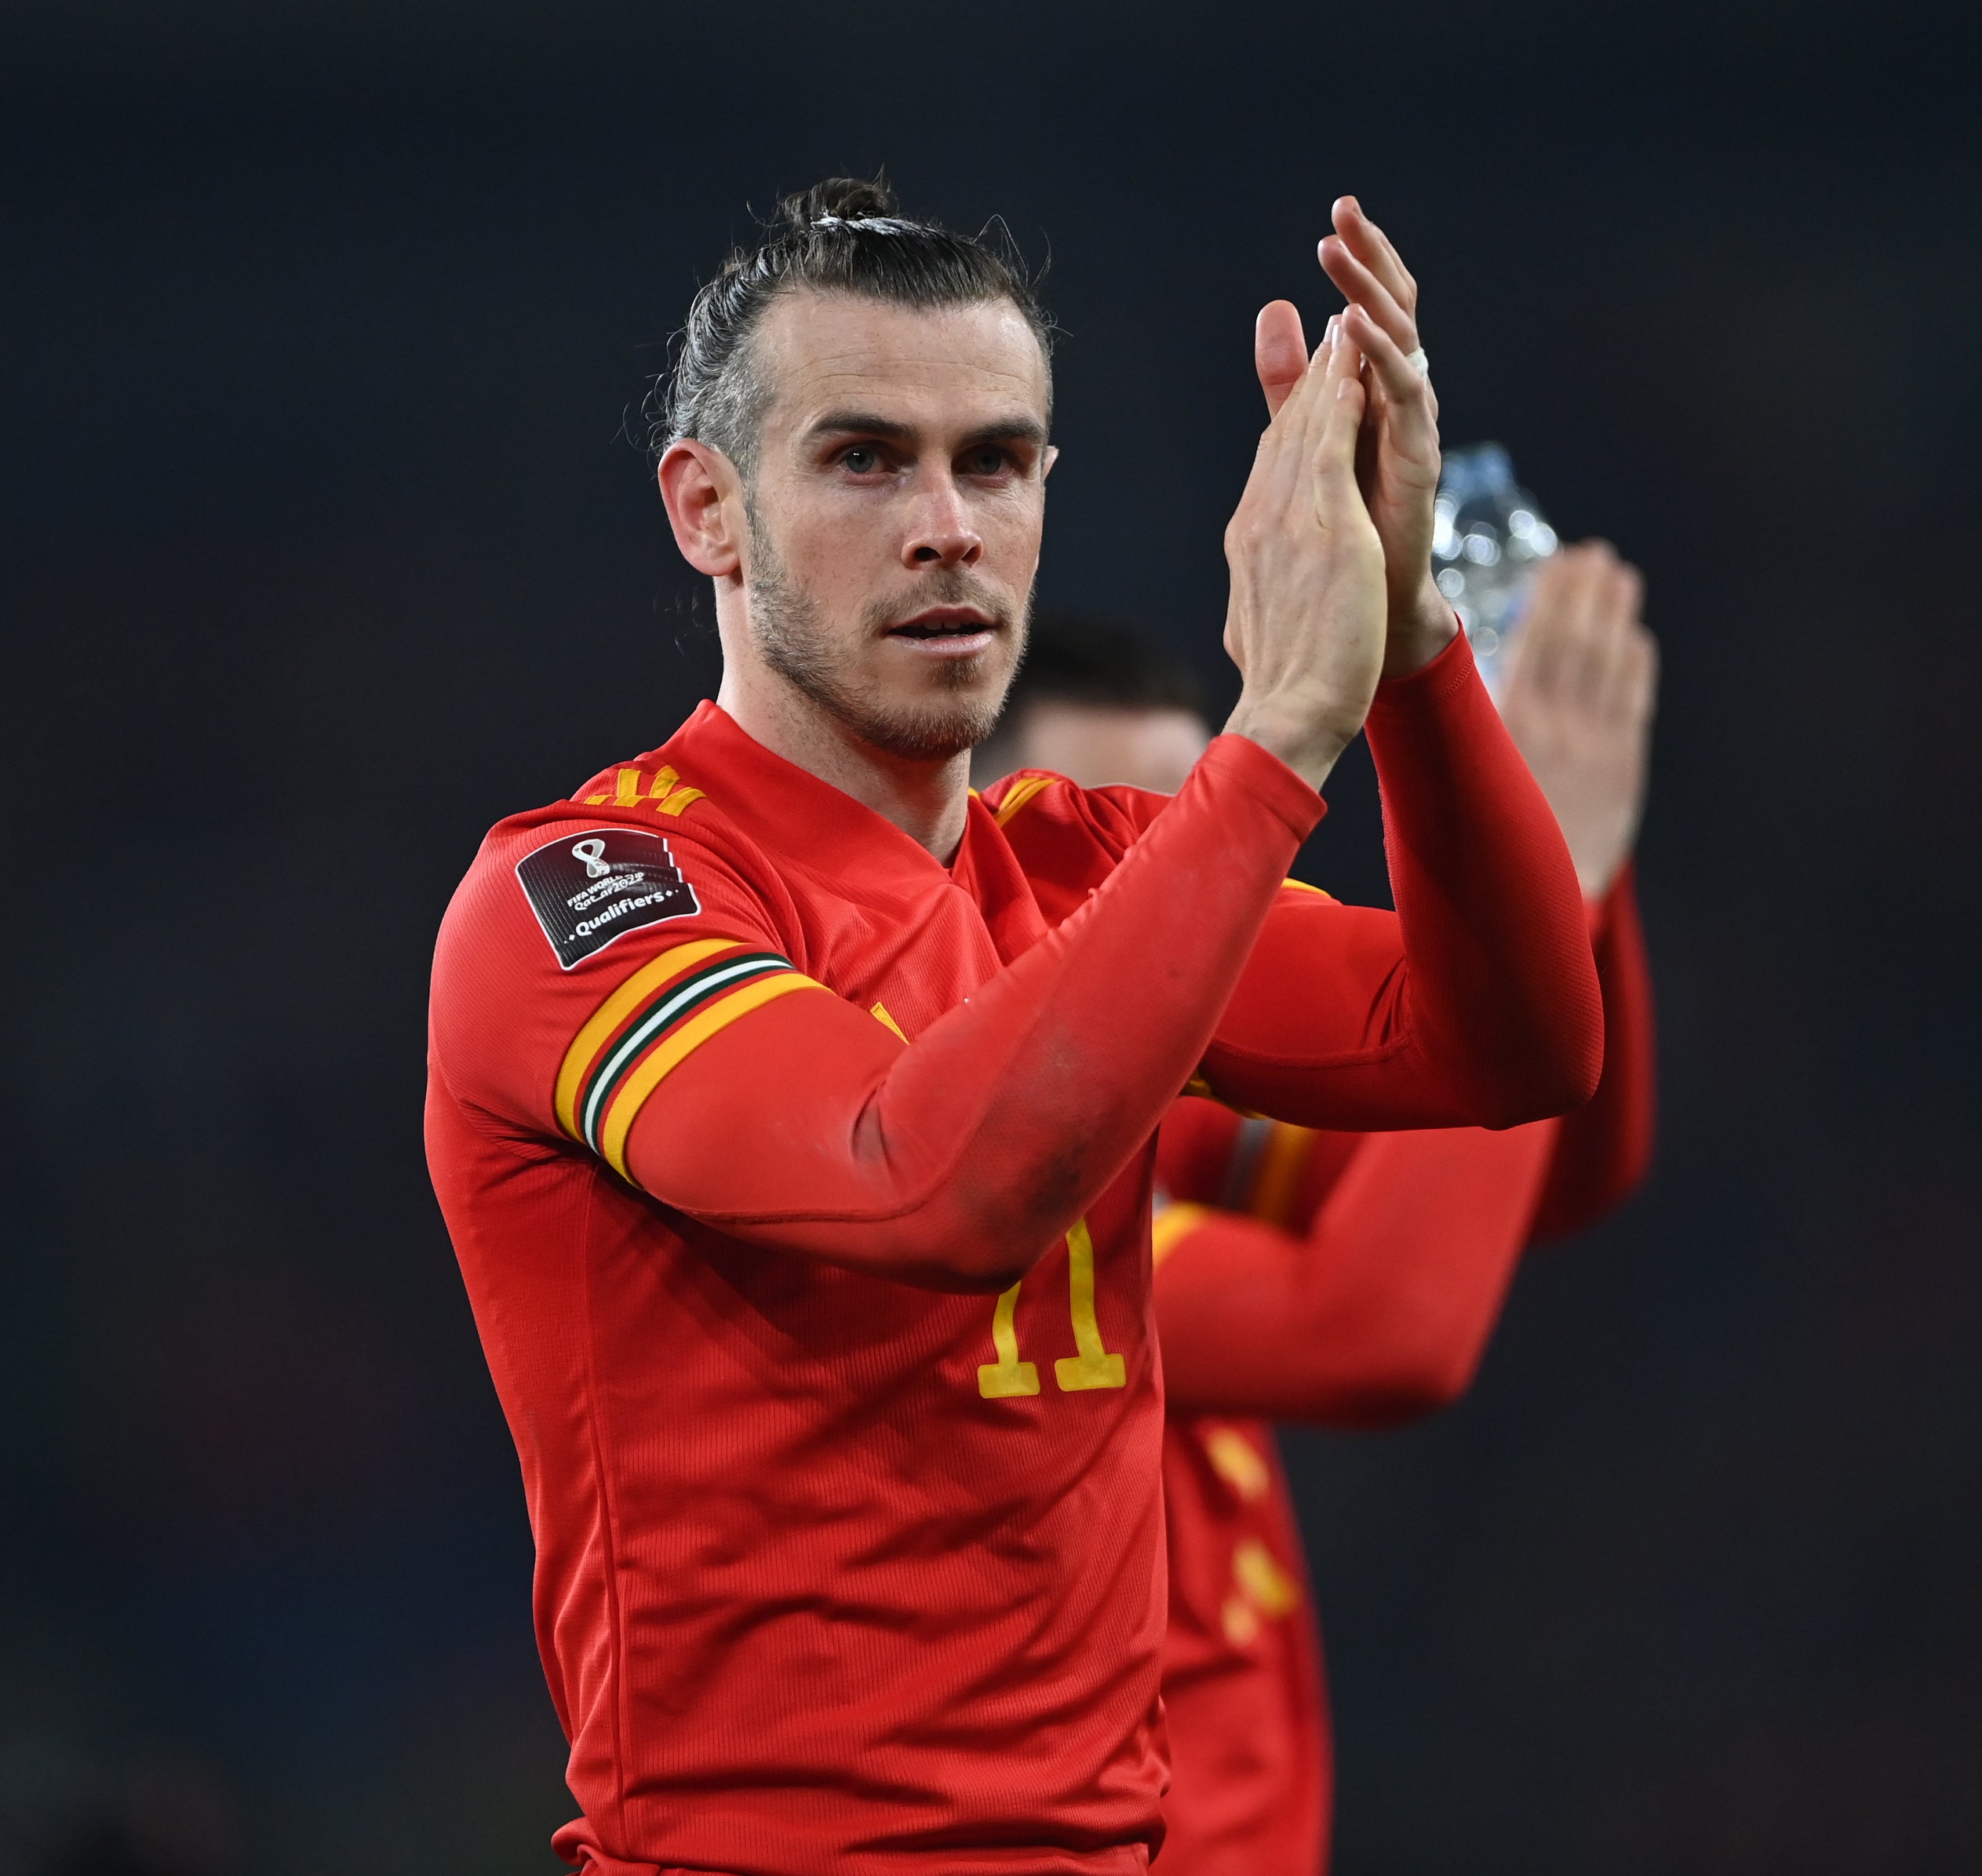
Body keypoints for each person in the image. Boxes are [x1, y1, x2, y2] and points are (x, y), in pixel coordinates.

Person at [423, 174, 1607, 1876]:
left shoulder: (1082, 868)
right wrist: (1276, 733)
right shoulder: (589, 895)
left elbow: (1514, 1041)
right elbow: (925, 1181)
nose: (946, 523)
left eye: (995, 460)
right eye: (862, 459)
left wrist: (1412, 642)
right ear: (709, 510)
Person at [978, 549, 1658, 1876]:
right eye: (1092, 853)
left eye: (1187, 843)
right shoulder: (979, 1187)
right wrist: (1558, 870)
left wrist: (1560, 871)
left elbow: (1556, 1166)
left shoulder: (1184, 1118)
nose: (1172, 909)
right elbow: (1378, 1325)